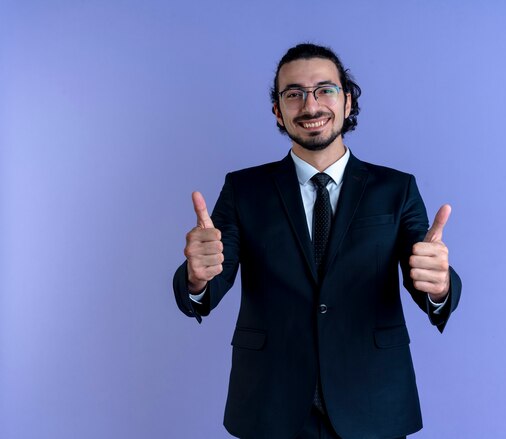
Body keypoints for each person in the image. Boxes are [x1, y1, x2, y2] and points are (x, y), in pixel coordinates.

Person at [173, 43, 462, 439]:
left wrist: (440, 286)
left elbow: (426, 278)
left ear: (347, 101)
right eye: (293, 94)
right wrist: (196, 278)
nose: (310, 106)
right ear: (278, 110)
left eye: (325, 90)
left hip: (373, 401)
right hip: (270, 405)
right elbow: (210, 282)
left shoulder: (396, 189)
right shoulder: (243, 190)